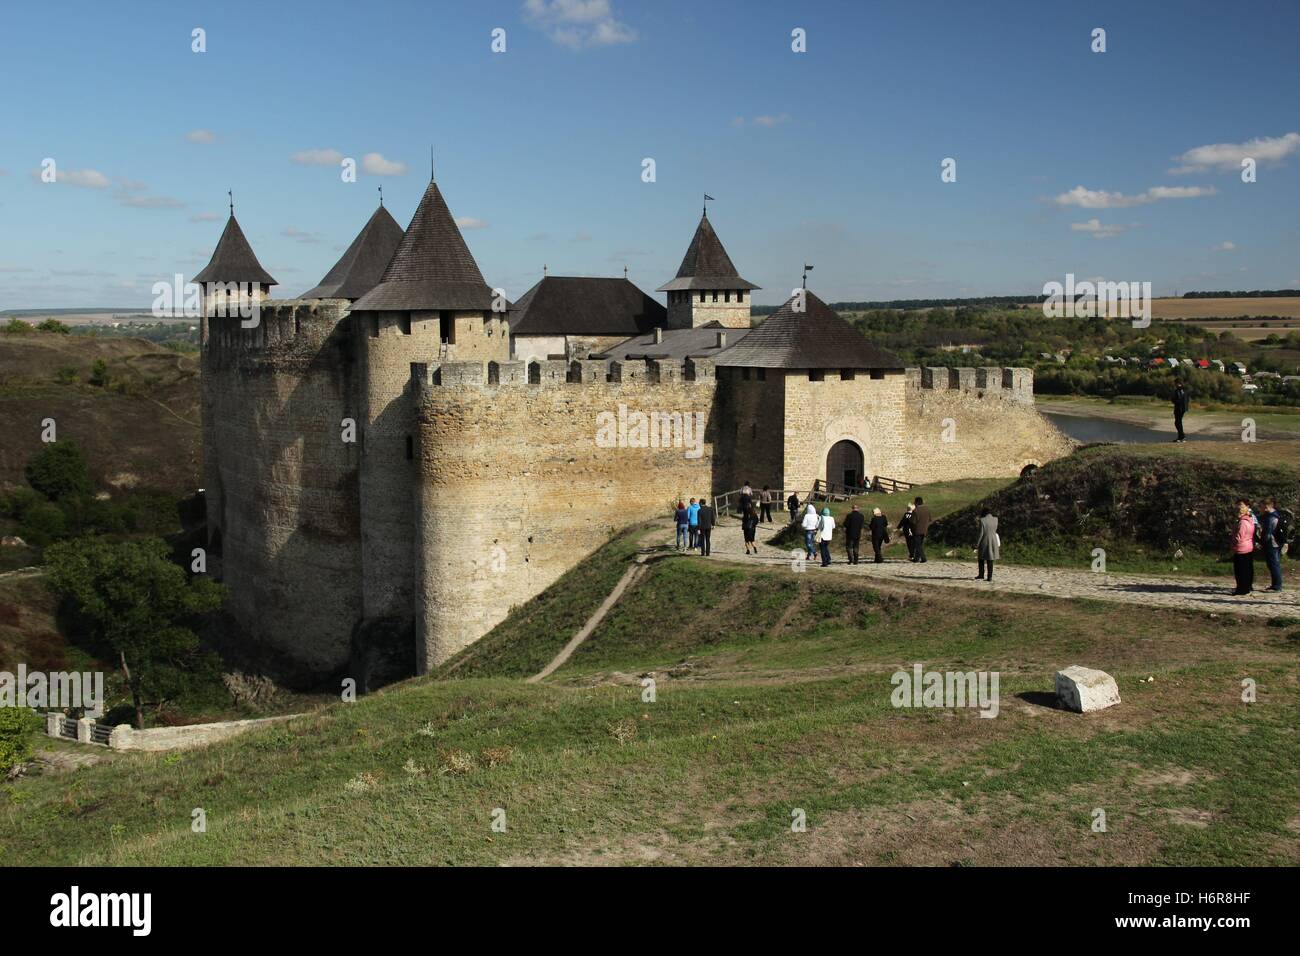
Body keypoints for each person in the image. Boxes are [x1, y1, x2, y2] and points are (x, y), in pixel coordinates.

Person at [1231, 498, 1255, 596]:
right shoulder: (1250, 520)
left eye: (1241, 505)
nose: (1239, 508)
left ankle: (1242, 589)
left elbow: (1239, 536)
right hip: (1249, 545)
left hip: (1241, 547)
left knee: (1240, 570)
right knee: (1247, 569)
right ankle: (1247, 586)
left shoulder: (1243, 522)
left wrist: (1233, 543)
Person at [1261, 498, 1284, 592]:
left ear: (1266, 507)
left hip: (1272, 543)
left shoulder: (1270, 517)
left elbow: (1268, 533)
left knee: (1273, 564)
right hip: (1277, 542)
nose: (1260, 508)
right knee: (1274, 564)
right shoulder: (1277, 515)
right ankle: (1275, 584)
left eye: (1261, 506)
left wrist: (1262, 542)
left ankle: (1277, 585)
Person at [975, 507, 999, 581]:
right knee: (990, 559)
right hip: (993, 540)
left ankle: (981, 574)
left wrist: (977, 543)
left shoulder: (982, 520)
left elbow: (981, 534)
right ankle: (990, 577)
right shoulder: (996, 519)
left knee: (981, 558)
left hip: (984, 541)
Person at [912, 496, 932, 563]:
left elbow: (913, 522)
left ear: (917, 502)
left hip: (917, 530)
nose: (914, 503)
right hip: (925, 529)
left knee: (917, 545)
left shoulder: (915, 510)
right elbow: (930, 519)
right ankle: (916, 558)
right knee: (920, 544)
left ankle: (923, 558)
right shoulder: (927, 509)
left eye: (914, 502)